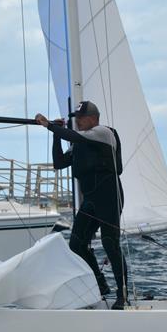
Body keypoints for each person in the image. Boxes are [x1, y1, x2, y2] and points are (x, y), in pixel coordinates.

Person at [35, 101, 129, 309]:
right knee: (76, 244)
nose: (77, 121)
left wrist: (50, 125)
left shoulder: (103, 132)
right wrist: (55, 134)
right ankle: (101, 284)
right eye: (75, 118)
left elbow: (75, 135)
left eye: (81, 117)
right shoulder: (80, 142)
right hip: (91, 201)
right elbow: (59, 163)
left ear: (93, 119)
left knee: (109, 243)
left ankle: (122, 294)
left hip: (109, 196)